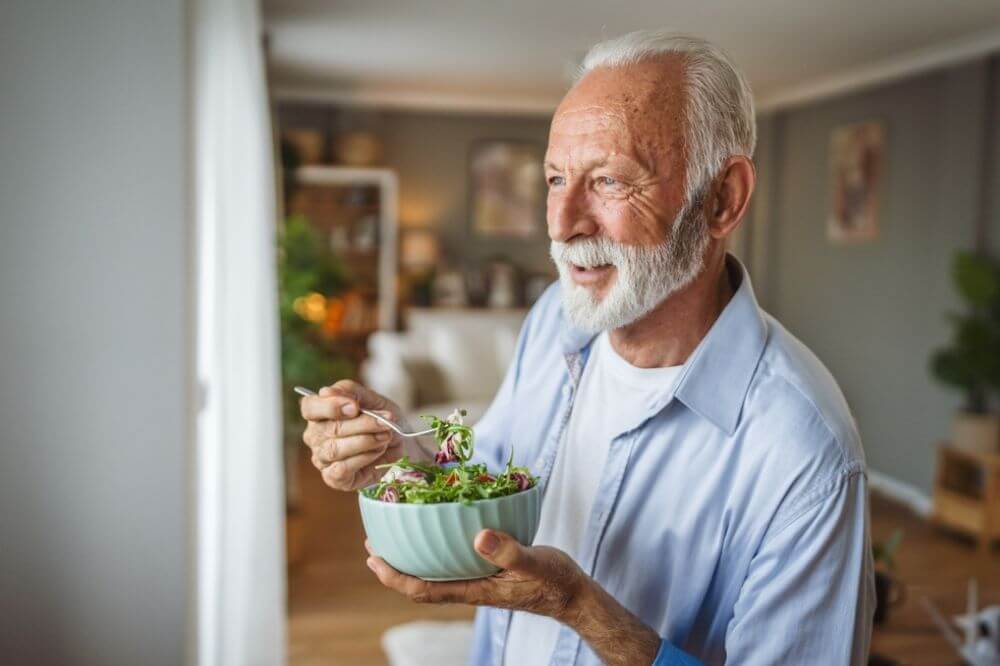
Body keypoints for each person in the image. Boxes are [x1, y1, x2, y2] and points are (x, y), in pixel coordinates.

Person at [300, 29, 874, 666]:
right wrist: (394, 444)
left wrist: (577, 606)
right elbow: (489, 475)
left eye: (608, 182)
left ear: (722, 199)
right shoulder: (555, 320)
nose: (562, 223)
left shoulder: (805, 453)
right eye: (553, 178)